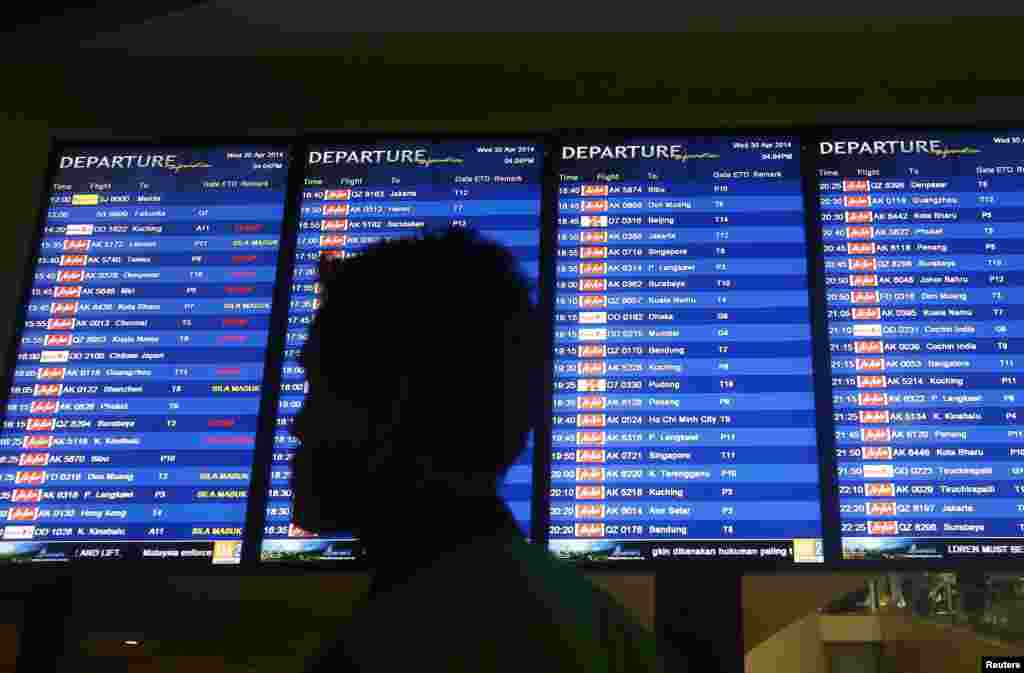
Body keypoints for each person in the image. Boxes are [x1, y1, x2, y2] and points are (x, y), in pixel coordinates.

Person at [291, 229, 673, 673]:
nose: (298, 424)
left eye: (321, 388)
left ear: (398, 407)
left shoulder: (407, 645)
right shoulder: (602, 627)